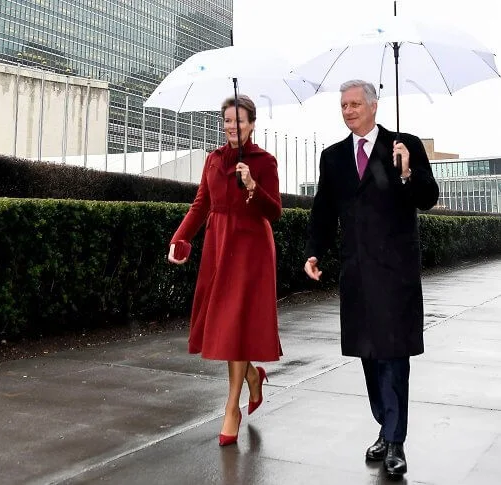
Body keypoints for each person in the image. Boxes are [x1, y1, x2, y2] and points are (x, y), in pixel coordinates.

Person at [303, 80, 439, 478]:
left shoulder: (404, 145)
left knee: (393, 354)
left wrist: (408, 172)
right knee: (368, 352)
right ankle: (385, 424)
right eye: (343, 105)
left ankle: (395, 440)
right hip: (358, 271)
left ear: (374, 107)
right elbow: (323, 211)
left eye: (356, 104)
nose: (348, 111)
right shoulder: (333, 157)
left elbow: (428, 198)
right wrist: (314, 251)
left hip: (395, 272)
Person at [167, 94, 282, 446]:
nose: (233, 127)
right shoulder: (213, 160)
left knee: (238, 323)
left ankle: (231, 407)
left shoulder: (264, 161)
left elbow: (274, 211)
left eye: (240, 121)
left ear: (252, 124)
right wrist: (180, 238)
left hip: (251, 250)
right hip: (219, 248)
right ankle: (251, 375)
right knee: (226, 325)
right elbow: (201, 204)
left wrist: (252, 186)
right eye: (228, 121)